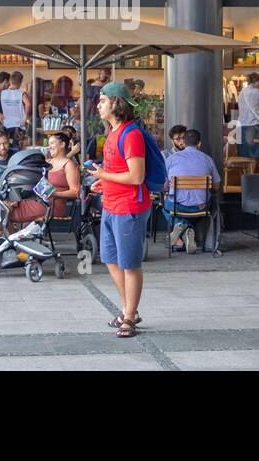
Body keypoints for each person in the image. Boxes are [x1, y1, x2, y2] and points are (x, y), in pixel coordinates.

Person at [85, 81, 151, 338]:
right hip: (111, 205)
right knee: (111, 260)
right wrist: (104, 180)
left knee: (130, 264)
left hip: (129, 207)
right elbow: (117, 172)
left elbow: (136, 177)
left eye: (102, 100)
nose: (98, 104)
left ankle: (129, 318)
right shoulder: (112, 132)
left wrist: (104, 173)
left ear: (115, 103)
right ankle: (128, 310)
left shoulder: (131, 134)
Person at [162, 128, 219, 252]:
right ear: (199, 144)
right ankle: (187, 230)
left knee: (165, 207)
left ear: (184, 143)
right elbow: (216, 186)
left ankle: (181, 227)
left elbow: (164, 186)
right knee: (200, 209)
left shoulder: (171, 159)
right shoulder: (208, 159)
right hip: (201, 207)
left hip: (177, 207)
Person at [236, 72, 259, 161]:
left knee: (243, 155)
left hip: (241, 125)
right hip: (252, 125)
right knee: (253, 154)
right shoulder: (257, 92)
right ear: (257, 81)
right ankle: (252, 174)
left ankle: (245, 174)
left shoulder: (241, 92)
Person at [0, 70, 32, 146]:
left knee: (7, 145)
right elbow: (28, 104)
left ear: (10, 80)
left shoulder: (2, 93)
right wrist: (25, 117)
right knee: (17, 146)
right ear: (20, 82)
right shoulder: (21, 93)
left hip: (6, 124)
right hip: (19, 125)